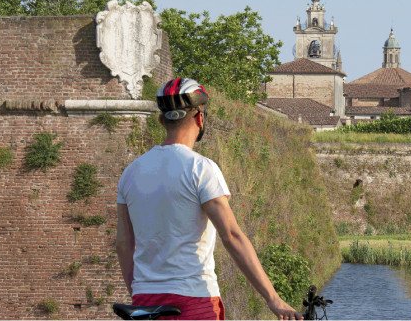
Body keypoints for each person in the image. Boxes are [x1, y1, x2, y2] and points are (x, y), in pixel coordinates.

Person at [115, 78, 302, 320]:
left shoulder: (131, 172)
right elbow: (232, 236)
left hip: (144, 301)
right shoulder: (201, 168)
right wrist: (273, 299)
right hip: (194, 300)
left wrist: (137, 293)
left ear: (162, 120)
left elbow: (123, 244)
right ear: (200, 118)